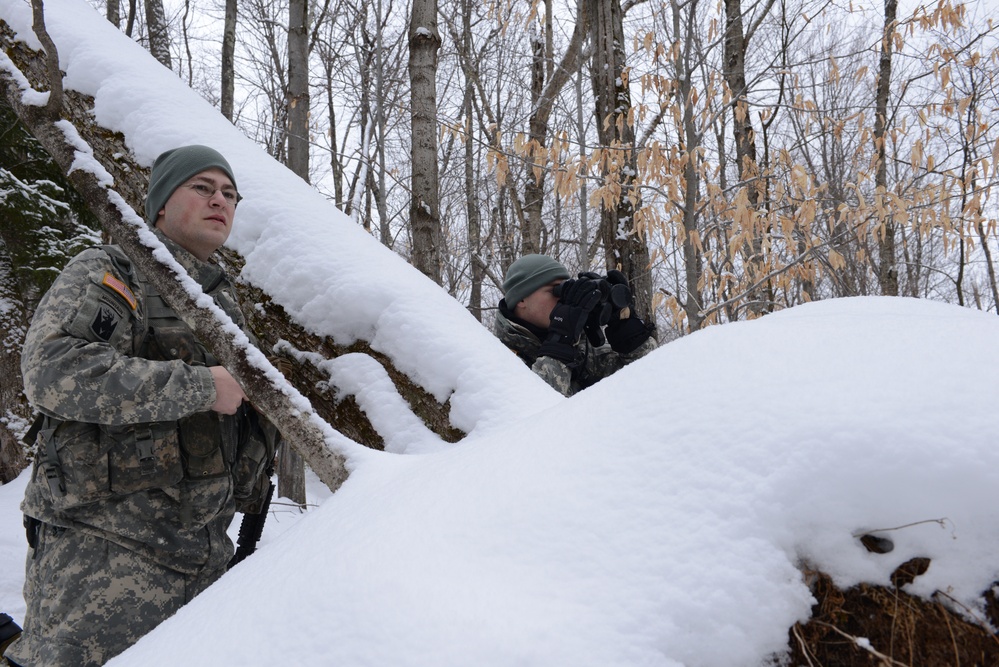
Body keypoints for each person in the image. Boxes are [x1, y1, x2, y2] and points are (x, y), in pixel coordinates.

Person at [5, 145, 278, 667]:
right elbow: (54, 370)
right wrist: (202, 386)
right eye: (202, 187)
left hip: (204, 557)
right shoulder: (114, 272)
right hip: (105, 551)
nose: (219, 200)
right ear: (157, 205)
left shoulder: (220, 299)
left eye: (229, 193)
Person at [494, 254, 657, 396]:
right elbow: (532, 414)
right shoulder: (498, 360)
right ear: (521, 299)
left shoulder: (583, 349)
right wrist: (559, 344)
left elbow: (651, 383)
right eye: (555, 291)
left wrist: (630, 336)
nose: (564, 299)